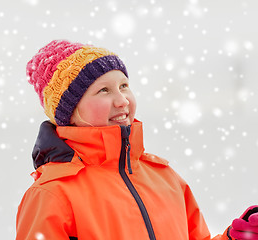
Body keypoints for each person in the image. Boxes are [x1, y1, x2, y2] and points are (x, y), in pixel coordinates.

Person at [16, 39, 258, 239]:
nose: (122, 100)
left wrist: (235, 238)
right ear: (70, 110)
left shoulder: (165, 179)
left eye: (124, 86)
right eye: (104, 90)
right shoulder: (53, 194)